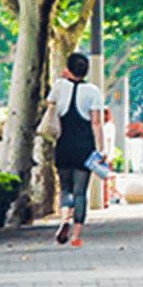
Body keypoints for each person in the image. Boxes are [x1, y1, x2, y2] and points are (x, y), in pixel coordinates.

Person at [45, 52, 104, 248]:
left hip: (63, 145)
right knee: (80, 193)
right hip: (85, 147)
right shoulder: (93, 91)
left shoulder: (60, 86)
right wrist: (101, 149)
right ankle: (77, 237)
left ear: (68, 68)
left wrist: (63, 79)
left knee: (65, 189)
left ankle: (64, 219)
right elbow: (96, 122)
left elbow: (50, 106)